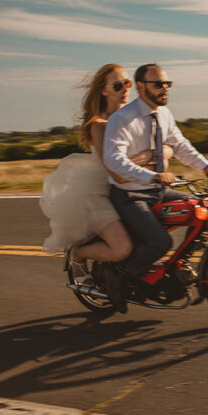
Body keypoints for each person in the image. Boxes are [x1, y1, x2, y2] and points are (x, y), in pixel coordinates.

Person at [103, 63, 208, 313]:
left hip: (156, 190)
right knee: (160, 241)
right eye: (158, 84)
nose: (165, 88)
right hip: (130, 194)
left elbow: (180, 145)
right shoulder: (123, 119)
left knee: (201, 211)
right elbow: (114, 159)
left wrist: (206, 166)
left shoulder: (164, 114)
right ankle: (119, 275)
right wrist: (152, 176)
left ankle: (175, 270)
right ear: (141, 87)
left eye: (167, 84)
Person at [40, 64, 173, 276]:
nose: (125, 90)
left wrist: (153, 155)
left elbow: (168, 146)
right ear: (104, 91)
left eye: (127, 83)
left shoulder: (135, 116)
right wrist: (153, 160)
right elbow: (116, 170)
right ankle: (79, 254)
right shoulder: (99, 125)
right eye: (118, 86)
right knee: (122, 249)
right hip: (101, 192)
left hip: (135, 186)